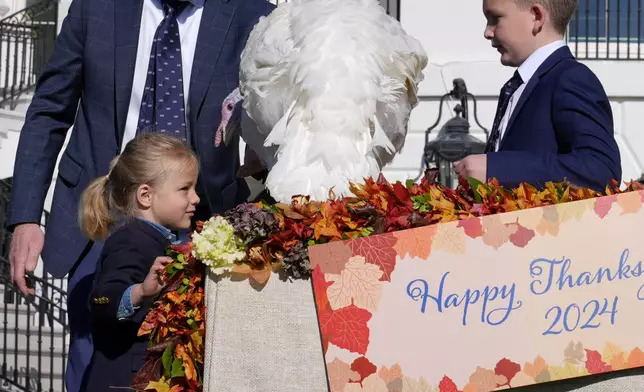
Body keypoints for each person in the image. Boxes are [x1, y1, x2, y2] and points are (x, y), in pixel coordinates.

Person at [6, 0, 274, 390]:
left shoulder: (252, 14)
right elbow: (48, 110)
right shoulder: (94, 8)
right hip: (100, 218)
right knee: (94, 355)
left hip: (204, 224)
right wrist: (26, 216)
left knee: (195, 370)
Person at [454, 0, 621, 192]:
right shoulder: (516, 86)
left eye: (495, 18)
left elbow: (601, 171)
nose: (487, 32)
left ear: (536, 16)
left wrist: (496, 169)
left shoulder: (571, 78)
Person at [78, 134, 199, 390]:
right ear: (146, 195)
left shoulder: (163, 241)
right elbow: (102, 299)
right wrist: (140, 292)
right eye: (184, 189)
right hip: (124, 381)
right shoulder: (130, 241)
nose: (196, 198)